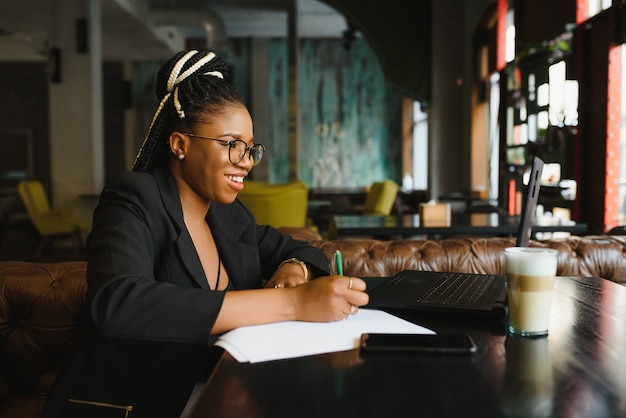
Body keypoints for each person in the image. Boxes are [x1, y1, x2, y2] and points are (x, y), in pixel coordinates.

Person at [41, 49, 368, 417]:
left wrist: (293, 271)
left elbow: (299, 249)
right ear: (180, 144)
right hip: (137, 404)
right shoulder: (134, 198)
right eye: (231, 145)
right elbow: (119, 303)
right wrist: (292, 303)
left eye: (249, 149)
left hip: (215, 394)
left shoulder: (228, 216)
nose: (245, 162)